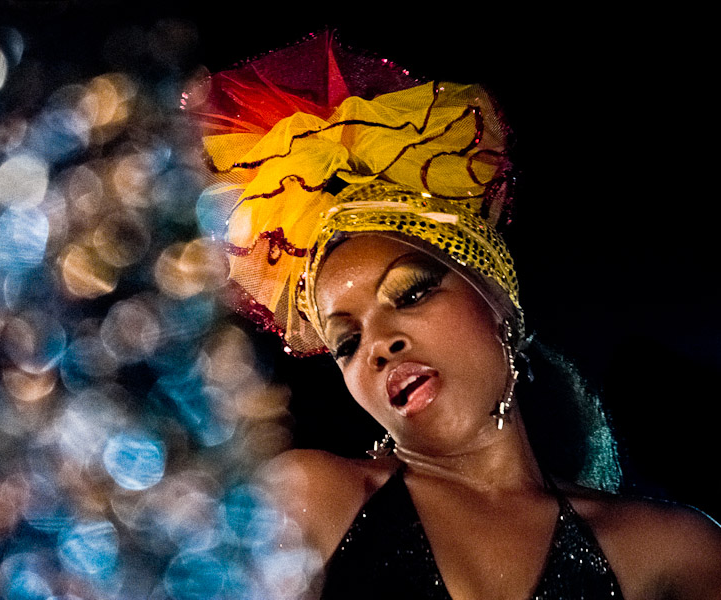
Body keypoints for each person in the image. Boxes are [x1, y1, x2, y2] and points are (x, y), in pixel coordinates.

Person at [190, 32, 721, 598]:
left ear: (497, 301)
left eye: (411, 294)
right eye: (346, 342)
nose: (379, 344)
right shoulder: (311, 500)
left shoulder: (673, 550)